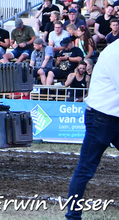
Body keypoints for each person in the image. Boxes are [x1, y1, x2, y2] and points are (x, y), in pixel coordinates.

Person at [64, 40, 119, 220]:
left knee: (85, 169)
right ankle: (72, 216)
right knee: (85, 169)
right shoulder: (114, 53)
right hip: (101, 118)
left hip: (109, 116)